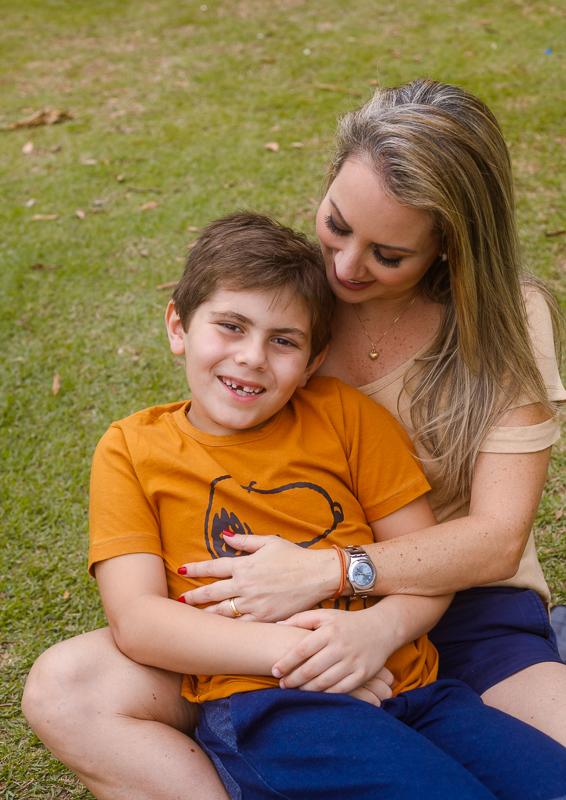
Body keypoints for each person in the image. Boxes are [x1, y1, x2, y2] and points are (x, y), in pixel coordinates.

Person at [22, 79, 566, 798]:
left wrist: (343, 588)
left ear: (446, 249)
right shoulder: (292, 297)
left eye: (388, 255)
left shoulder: (502, 320)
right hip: (268, 629)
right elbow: (145, 609)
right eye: (336, 225)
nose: (344, 268)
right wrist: (301, 637)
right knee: (67, 688)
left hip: (456, 605)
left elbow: (494, 541)